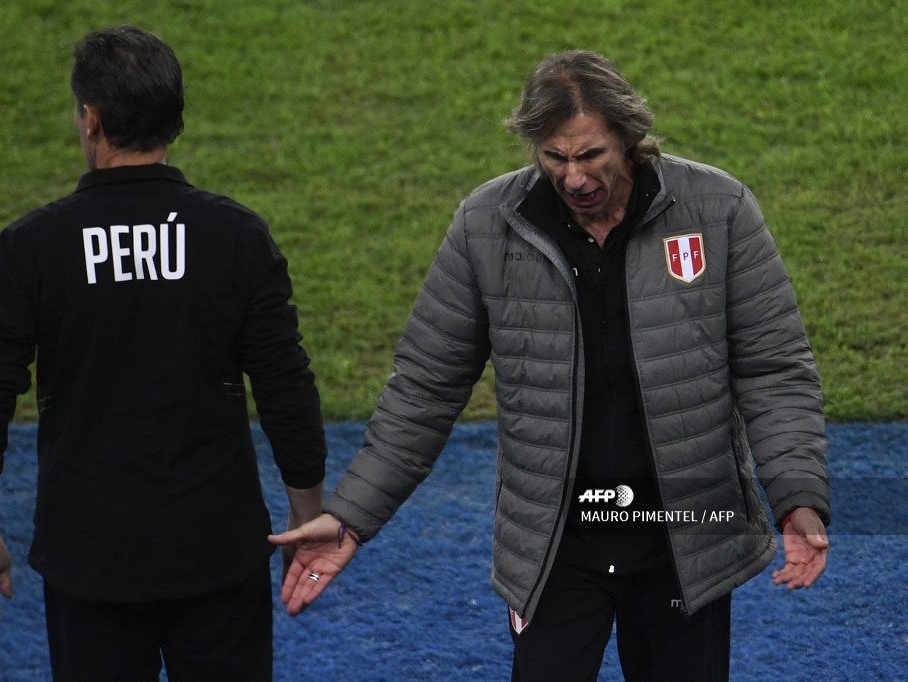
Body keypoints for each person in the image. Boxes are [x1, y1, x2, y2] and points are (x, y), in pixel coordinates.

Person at [269, 50, 830, 681]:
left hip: (685, 540)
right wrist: (351, 515)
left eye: (590, 155)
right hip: (555, 547)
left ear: (630, 139)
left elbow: (773, 368)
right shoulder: (485, 225)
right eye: (554, 158)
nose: (573, 178)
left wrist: (797, 499)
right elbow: (426, 388)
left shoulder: (719, 209)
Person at [0, 25, 327, 680]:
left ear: (90, 120)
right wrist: (307, 515)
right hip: (217, 550)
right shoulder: (235, 237)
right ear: (174, 120)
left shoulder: (35, 247)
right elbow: (286, 386)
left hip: (91, 557)